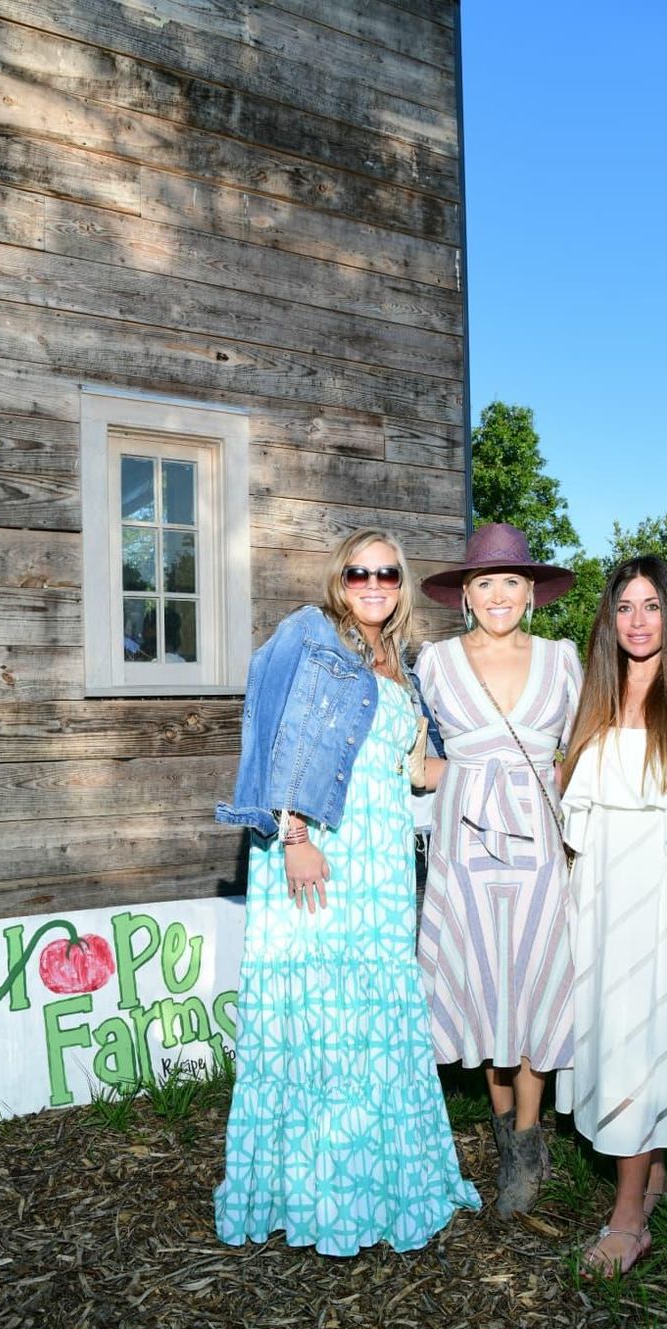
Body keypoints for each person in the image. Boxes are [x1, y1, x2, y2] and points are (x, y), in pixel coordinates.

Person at [213, 529, 480, 1256]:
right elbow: (274, 739)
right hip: (320, 851)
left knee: (373, 1015)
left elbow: (419, 770)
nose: (372, 583)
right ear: (340, 578)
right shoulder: (313, 638)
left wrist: (502, 768)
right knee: (320, 1019)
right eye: (359, 571)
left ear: (402, 582)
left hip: (383, 864)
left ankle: (380, 1183)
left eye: (387, 573)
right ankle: (319, 1192)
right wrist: (293, 840)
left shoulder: (408, 666)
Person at [556, 555, 667, 1276]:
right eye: (625, 607)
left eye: (651, 606)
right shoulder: (594, 700)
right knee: (619, 1036)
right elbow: (570, 794)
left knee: (644, 1037)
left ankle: (628, 1221)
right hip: (600, 897)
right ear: (610, 619)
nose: (638, 621)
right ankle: (653, 1172)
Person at [416, 523, 582, 1217]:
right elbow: (413, 755)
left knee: (537, 976)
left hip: (541, 839)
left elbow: (579, 752)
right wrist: (453, 775)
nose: (498, 595)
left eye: (511, 581)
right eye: (484, 582)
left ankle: (525, 1137)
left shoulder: (565, 660)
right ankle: (505, 1127)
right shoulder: (433, 662)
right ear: (465, 594)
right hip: (466, 840)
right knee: (485, 978)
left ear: (531, 592)